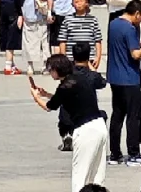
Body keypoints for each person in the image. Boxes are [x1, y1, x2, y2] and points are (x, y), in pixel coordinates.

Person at [30, 52, 109, 192]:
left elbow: (49, 107)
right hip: (100, 126)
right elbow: (66, 98)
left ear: (56, 70)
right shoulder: (79, 78)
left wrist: (36, 97)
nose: (50, 73)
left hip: (86, 130)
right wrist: (46, 94)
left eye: (51, 70)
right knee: (97, 174)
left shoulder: (65, 86)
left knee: (80, 174)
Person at [107, 0, 141, 167]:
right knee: (133, 117)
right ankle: (133, 152)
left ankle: (114, 153)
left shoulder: (113, 24)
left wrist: (139, 43)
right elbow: (135, 54)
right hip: (129, 78)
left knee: (117, 115)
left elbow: (123, 45)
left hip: (114, 77)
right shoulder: (130, 28)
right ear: (137, 13)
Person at [59, 0, 104, 70]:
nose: (79, 4)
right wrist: (64, 58)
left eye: (81, 1)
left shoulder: (93, 20)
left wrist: (98, 57)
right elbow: (63, 40)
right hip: (71, 59)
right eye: (76, 2)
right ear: (72, 4)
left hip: (89, 59)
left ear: (86, 2)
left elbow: (98, 40)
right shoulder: (67, 20)